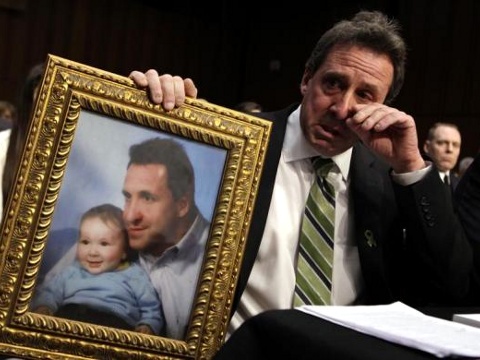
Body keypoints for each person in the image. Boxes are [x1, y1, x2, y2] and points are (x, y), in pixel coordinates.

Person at [130, 10, 476, 339]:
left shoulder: (390, 176)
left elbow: (452, 285)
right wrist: (150, 105)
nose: (342, 109)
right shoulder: (232, 145)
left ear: (384, 105)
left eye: (365, 95)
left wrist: (412, 168)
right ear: (307, 79)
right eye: (333, 84)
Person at [122, 137, 210, 339]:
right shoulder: (104, 241)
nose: (129, 215)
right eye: (128, 197)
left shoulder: (225, 254)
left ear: (182, 205)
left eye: (147, 198)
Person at [31, 203, 164, 335]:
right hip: (70, 317)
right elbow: (50, 292)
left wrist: (148, 324)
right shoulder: (72, 271)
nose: (92, 252)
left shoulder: (135, 274)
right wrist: (45, 306)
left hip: (116, 327)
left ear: (124, 251)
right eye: (85, 242)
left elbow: (151, 308)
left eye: (104, 243)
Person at [423, 122, 462, 190]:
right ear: (427, 147)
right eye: (442, 143)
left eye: (455, 145)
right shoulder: (413, 182)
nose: (450, 149)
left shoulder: (461, 186)